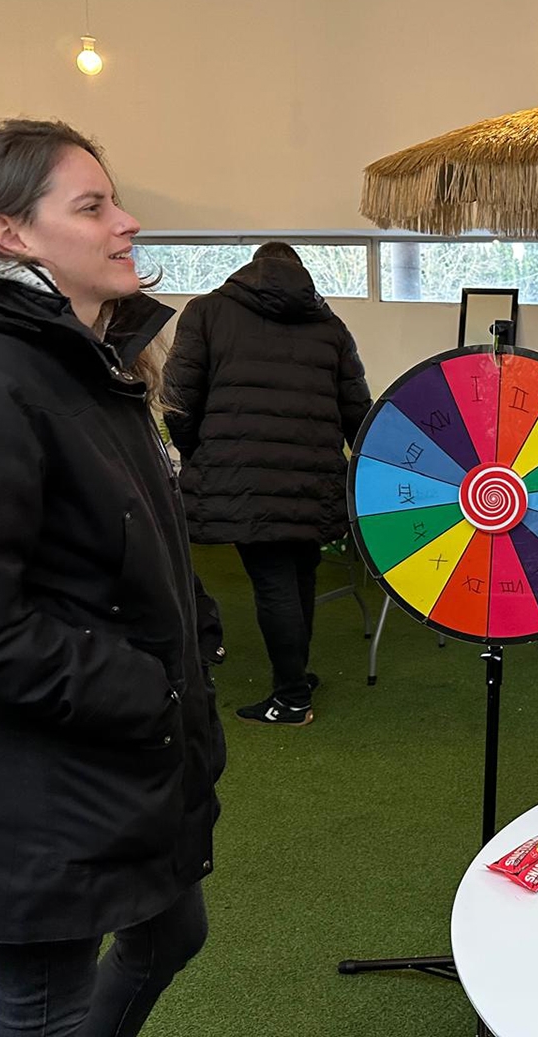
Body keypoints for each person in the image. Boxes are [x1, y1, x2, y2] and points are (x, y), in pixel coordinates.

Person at [0, 119, 225, 1037]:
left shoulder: (84, 358)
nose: (128, 221)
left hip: (129, 756)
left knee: (171, 932)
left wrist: (191, 621)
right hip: (45, 778)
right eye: (92, 205)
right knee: (43, 1008)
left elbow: (122, 525)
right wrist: (140, 687)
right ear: (8, 234)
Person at [163, 241, 371, 726]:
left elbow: (178, 397)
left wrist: (200, 453)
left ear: (249, 268)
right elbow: (357, 410)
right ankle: (296, 672)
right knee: (300, 575)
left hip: (241, 475)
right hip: (316, 476)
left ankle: (292, 697)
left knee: (273, 582)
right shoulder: (330, 326)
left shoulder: (207, 312)